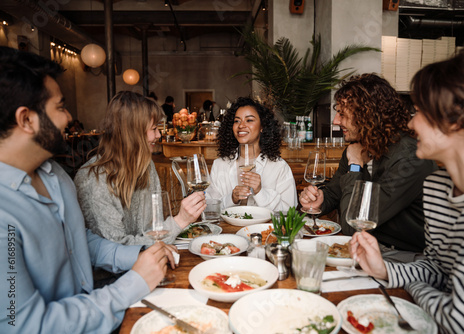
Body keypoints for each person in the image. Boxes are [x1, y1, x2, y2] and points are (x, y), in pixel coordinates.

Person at [0, 46, 173, 332]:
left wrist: (140, 254)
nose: (69, 118)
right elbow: (24, 326)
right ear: (26, 119)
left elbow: (78, 239)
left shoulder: (55, 175)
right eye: (60, 107)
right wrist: (131, 285)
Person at [352, 48, 464, 333]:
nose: (410, 123)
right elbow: (436, 268)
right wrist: (385, 270)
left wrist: (413, 284)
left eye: (418, 112)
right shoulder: (436, 187)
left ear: (454, 120)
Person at [299, 73, 437, 262]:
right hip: (366, 246)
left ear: (367, 115)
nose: (335, 121)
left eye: (342, 114)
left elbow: (355, 224)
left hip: (403, 256)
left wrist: (355, 166)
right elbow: (335, 192)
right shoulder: (358, 146)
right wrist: (319, 200)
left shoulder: (409, 158)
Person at [74, 91, 206, 246]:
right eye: (154, 128)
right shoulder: (93, 180)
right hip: (120, 270)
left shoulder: (146, 166)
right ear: (133, 133)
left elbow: (154, 228)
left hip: (150, 260)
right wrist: (180, 220)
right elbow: (116, 250)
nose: (158, 135)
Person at [205, 97, 297, 211]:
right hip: (227, 229)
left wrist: (260, 192)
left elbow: (289, 210)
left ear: (262, 126)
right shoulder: (219, 165)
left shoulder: (279, 167)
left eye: (249, 120)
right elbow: (208, 208)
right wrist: (231, 199)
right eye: (237, 121)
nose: (241, 125)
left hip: (265, 229)